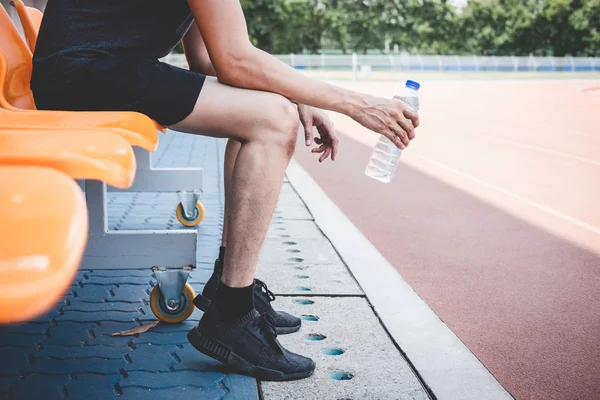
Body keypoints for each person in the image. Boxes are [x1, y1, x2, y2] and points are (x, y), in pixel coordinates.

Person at [30, 0, 419, 381]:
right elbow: (235, 60)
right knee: (271, 121)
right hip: (82, 74)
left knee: (262, 111)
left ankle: (227, 289)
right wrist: (356, 104)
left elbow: (209, 60)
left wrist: (297, 96)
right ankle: (231, 315)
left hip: (91, 69)